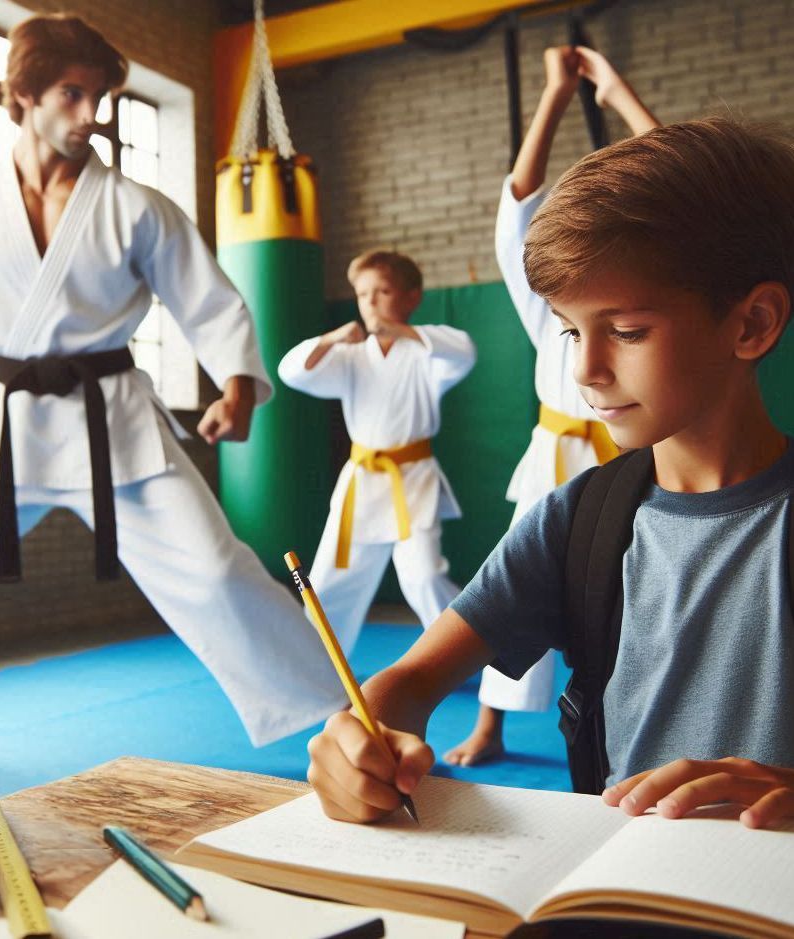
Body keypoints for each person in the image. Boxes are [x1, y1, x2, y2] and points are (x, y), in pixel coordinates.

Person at [0, 13, 347, 769]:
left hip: (109, 423)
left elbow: (208, 300)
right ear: (21, 96)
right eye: (71, 94)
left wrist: (239, 388)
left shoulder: (134, 206)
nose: (91, 115)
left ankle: (341, 721)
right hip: (3, 424)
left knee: (216, 570)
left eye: (100, 98)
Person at [307, 116, 794, 829]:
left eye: (626, 331)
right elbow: (409, 679)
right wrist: (359, 735)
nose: (586, 369)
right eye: (569, 329)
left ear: (751, 324)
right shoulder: (577, 521)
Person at [445, 46, 661, 766]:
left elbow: (692, 189)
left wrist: (619, 91)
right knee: (521, 587)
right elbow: (517, 205)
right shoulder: (549, 306)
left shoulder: (655, 274)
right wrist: (555, 95)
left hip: (640, 457)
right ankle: (490, 724)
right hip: (557, 457)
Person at [278, 250, 475, 652]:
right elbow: (292, 371)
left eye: (382, 291)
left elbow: (464, 351)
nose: (370, 301)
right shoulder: (349, 358)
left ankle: (463, 651)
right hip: (362, 483)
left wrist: (398, 331)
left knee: (423, 576)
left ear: (411, 297)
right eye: (363, 293)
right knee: (333, 578)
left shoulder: (425, 354)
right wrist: (334, 337)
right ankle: (318, 665)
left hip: (413, 480)